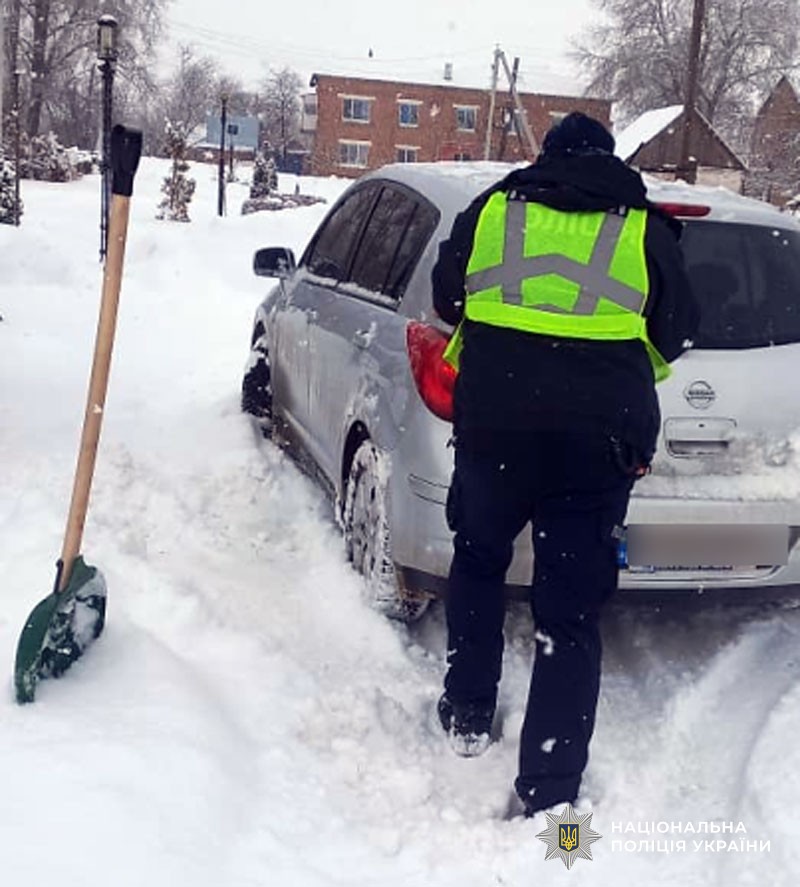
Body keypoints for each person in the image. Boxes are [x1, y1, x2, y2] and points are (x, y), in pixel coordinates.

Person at [431, 111, 698, 817]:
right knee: (570, 612)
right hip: (597, 444)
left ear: (545, 158)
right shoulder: (644, 228)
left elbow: (446, 297)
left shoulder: (493, 209)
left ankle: (466, 711)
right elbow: (678, 331)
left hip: (496, 428)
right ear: (608, 160)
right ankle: (549, 792)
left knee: (480, 560)